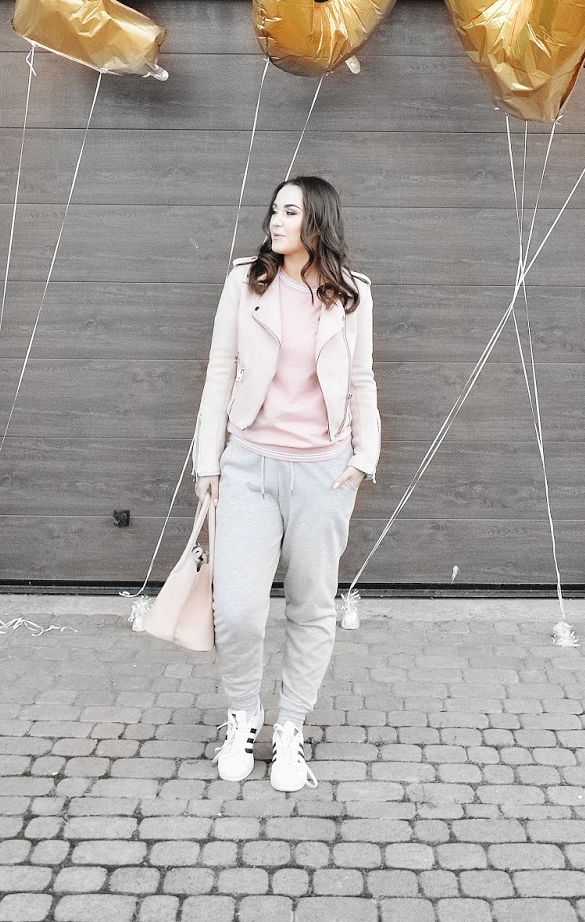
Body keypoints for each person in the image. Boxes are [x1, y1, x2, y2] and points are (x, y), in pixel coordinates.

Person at [192, 175, 381, 792]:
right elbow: (220, 370)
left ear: (317, 222)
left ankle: (292, 727)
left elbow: (362, 381)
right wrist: (209, 462)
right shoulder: (245, 282)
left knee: (311, 606)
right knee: (237, 612)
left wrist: (364, 458)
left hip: (325, 472)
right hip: (249, 464)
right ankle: (244, 715)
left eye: (290, 211)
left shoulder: (352, 293)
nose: (276, 220)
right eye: (274, 209)